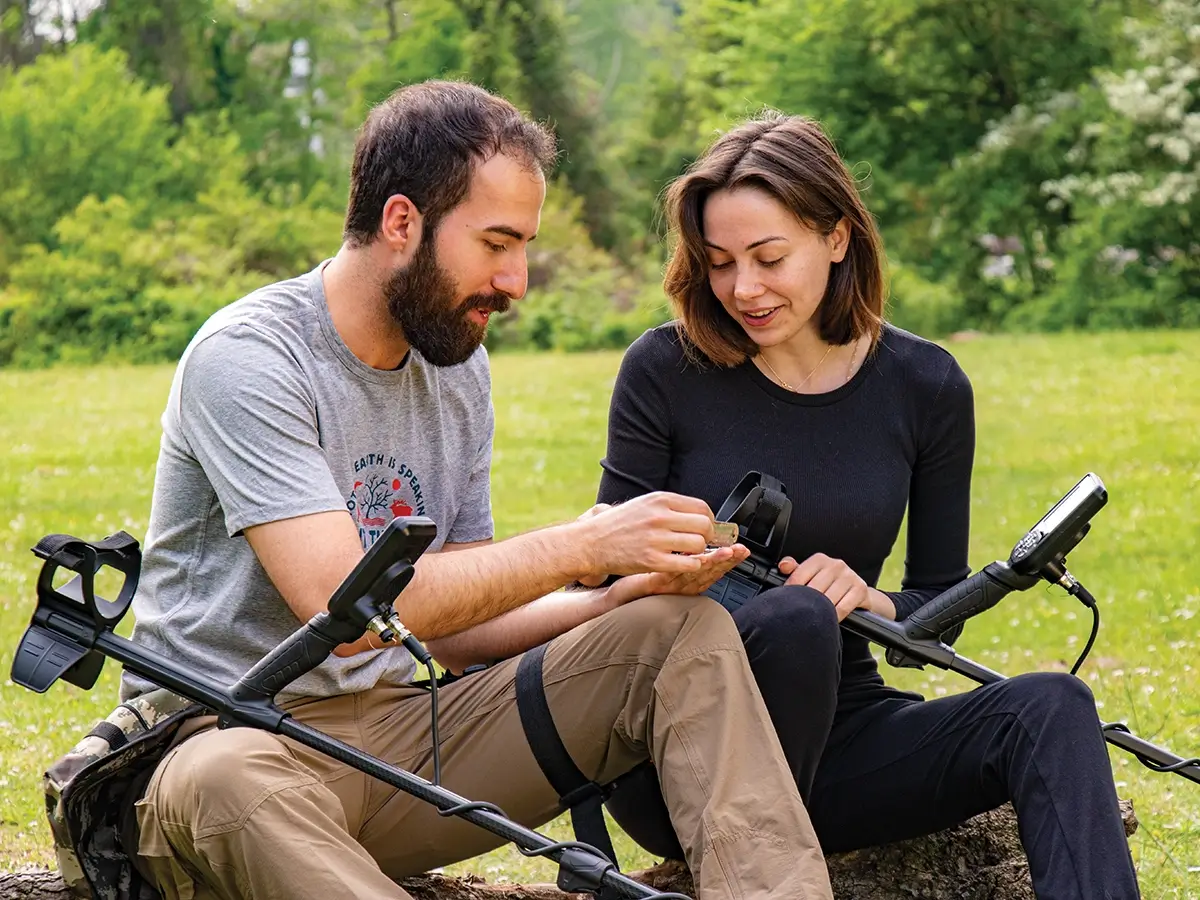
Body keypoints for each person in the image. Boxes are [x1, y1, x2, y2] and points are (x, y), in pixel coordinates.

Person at [118, 82, 836, 900]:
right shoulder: (250, 358)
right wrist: (581, 545)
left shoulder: (455, 367)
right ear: (402, 223)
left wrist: (618, 598)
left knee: (677, 630)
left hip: (397, 741)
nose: (518, 279)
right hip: (229, 742)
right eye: (497, 243)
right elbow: (342, 612)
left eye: (523, 246)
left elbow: (455, 626)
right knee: (219, 780)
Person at [594, 111, 1141, 900]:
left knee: (1052, 704)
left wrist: (873, 597)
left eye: (768, 257)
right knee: (794, 618)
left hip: (840, 737)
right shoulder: (664, 370)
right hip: (675, 739)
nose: (743, 288)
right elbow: (598, 584)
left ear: (838, 237)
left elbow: (934, 610)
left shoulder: (927, 386)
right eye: (719, 264)